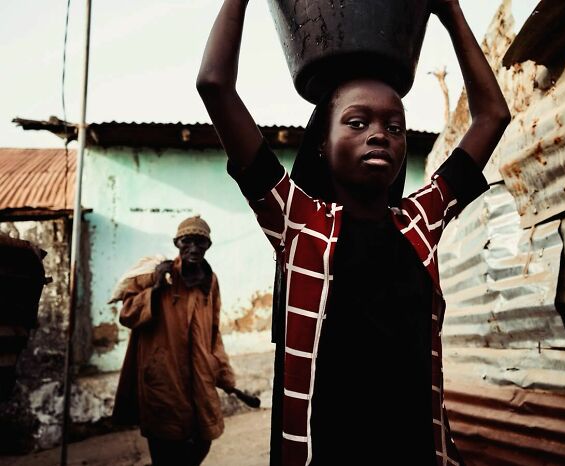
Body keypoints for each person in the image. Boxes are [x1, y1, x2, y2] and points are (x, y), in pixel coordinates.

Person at [197, 0, 510, 464]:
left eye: (395, 126)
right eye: (357, 122)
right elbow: (214, 85)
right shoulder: (299, 222)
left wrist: (451, 14)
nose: (379, 134)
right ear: (322, 144)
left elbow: (492, 117)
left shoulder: (420, 222)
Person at [112, 216, 237, 466]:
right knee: (165, 443)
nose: (193, 248)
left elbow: (214, 329)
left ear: (208, 246)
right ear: (177, 243)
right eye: (187, 241)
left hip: (200, 374)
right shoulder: (159, 274)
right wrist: (155, 289)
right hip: (162, 375)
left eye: (200, 242)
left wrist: (222, 372)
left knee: (203, 439)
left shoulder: (210, 281)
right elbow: (126, 315)